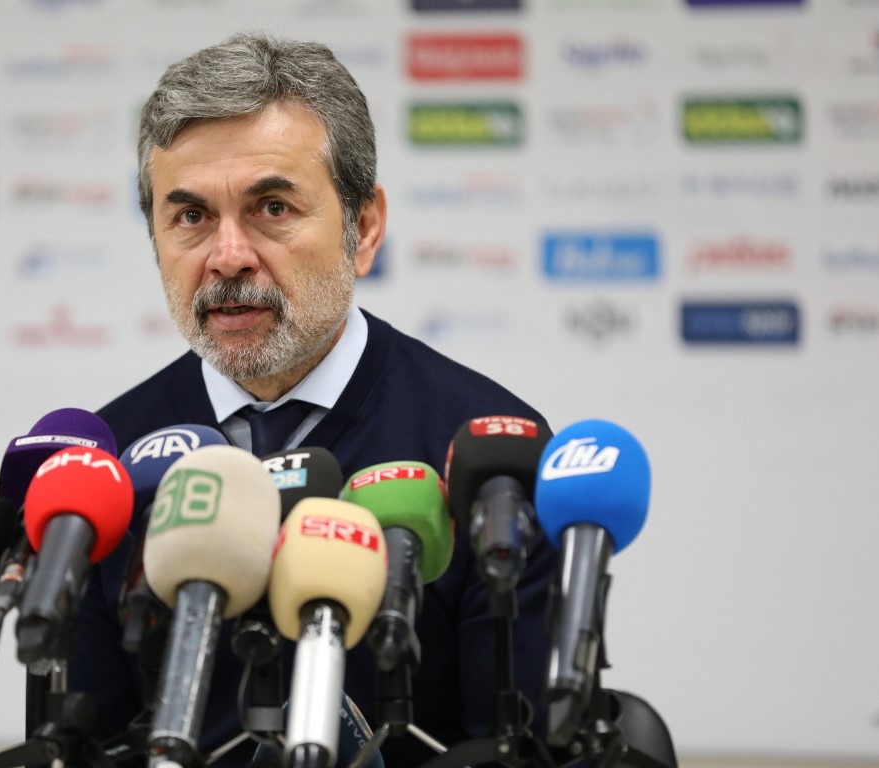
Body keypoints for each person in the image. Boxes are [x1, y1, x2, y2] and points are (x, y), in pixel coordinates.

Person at [69, 31, 559, 767]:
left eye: (271, 207)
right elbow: (86, 744)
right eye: (191, 217)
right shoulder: (106, 467)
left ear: (364, 228)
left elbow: (518, 748)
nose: (228, 257)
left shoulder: (486, 456)